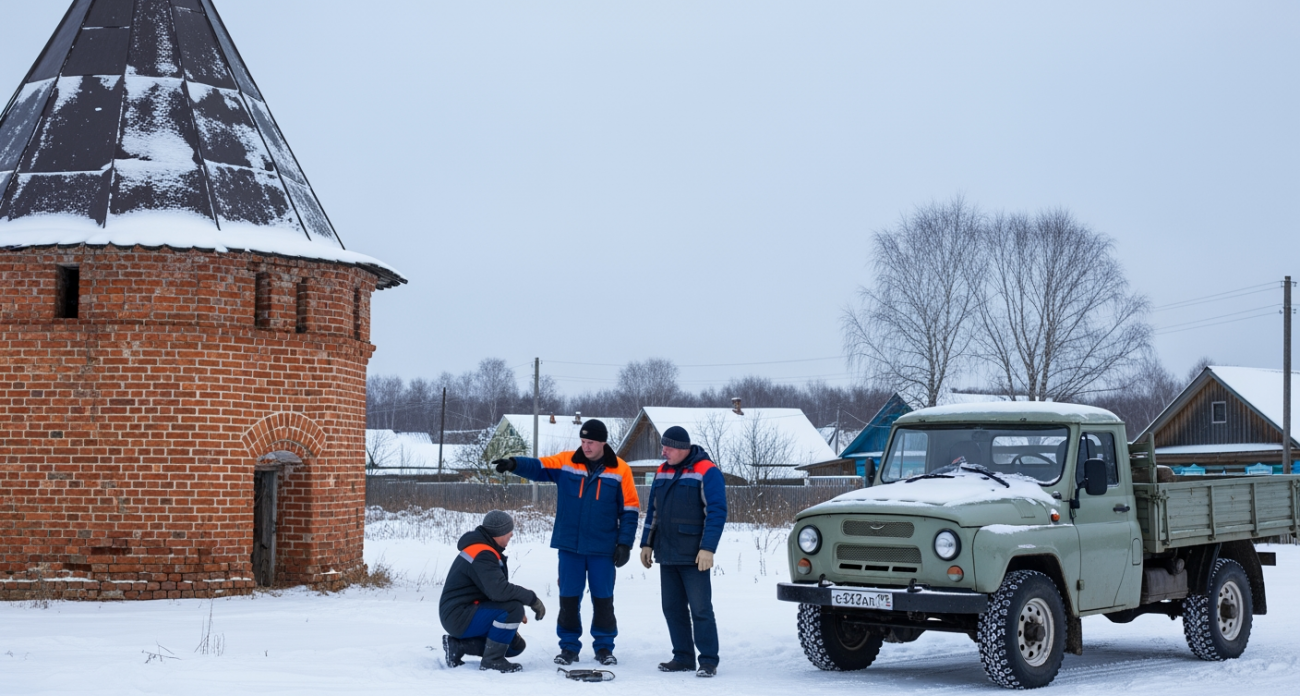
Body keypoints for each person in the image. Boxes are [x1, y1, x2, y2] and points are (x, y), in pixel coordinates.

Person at [493, 419, 639, 666]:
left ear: (603, 442)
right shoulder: (568, 462)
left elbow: (630, 510)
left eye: (590, 442)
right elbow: (539, 466)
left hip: (603, 549)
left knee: (603, 600)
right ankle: (569, 647)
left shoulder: (621, 470)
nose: (586, 446)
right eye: (583, 441)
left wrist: (624, 544)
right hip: (570, 546)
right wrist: (515, 464)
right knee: (569, 599)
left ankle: (604, 647)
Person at [639, 425, 727, 678]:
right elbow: (653, 510)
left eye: (667, 447)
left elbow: (717, 512)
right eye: (663, 446)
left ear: (681, 448)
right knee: (672, 608)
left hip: (694, 556)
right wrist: (647, 543)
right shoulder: (662, 471)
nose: (663, 451)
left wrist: (708, 548)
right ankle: (683, 657)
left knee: (700, 609)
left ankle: (708, 660)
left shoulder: (706, 471)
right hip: (666, 553)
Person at [440, 510, 546, 673]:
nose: (511, 535)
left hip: (464, 612)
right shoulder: (482, 553)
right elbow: (499, 591)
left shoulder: (485, 550)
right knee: (514, 609)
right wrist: (531, 599)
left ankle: (458, 646)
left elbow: (493, 590)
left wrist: (513, 609)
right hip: (458, 615)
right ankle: (493, 661)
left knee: (515, 647)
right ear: (499, 532)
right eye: (509, 532)